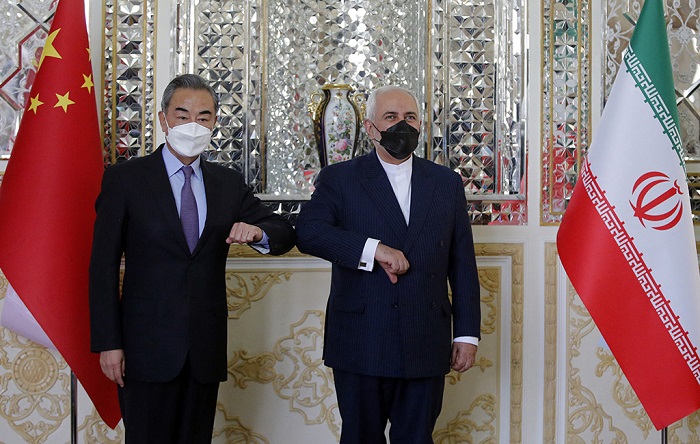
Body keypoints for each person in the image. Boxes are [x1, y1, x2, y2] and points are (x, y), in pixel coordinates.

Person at [89, 74, 295, 443]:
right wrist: (109, 342)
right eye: (182, 115)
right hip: (144, 349)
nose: (193, 125)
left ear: (214, 123)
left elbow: (282, 232)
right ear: (163, 118)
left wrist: (257, 233)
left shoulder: (226, 183)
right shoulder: (126, 179)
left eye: (203, 117)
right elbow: (102, 267)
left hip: (204, 350)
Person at [295, 85, 481, 443]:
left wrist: (466, 334)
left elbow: (462, 263)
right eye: (391, 117)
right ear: (370, 127)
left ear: (421, 124)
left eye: (410, 117)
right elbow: (308, 232)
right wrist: (373, 249)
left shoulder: (446, 182)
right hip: (361, 338)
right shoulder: (340, 178)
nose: (402, 125)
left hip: (425, 337)